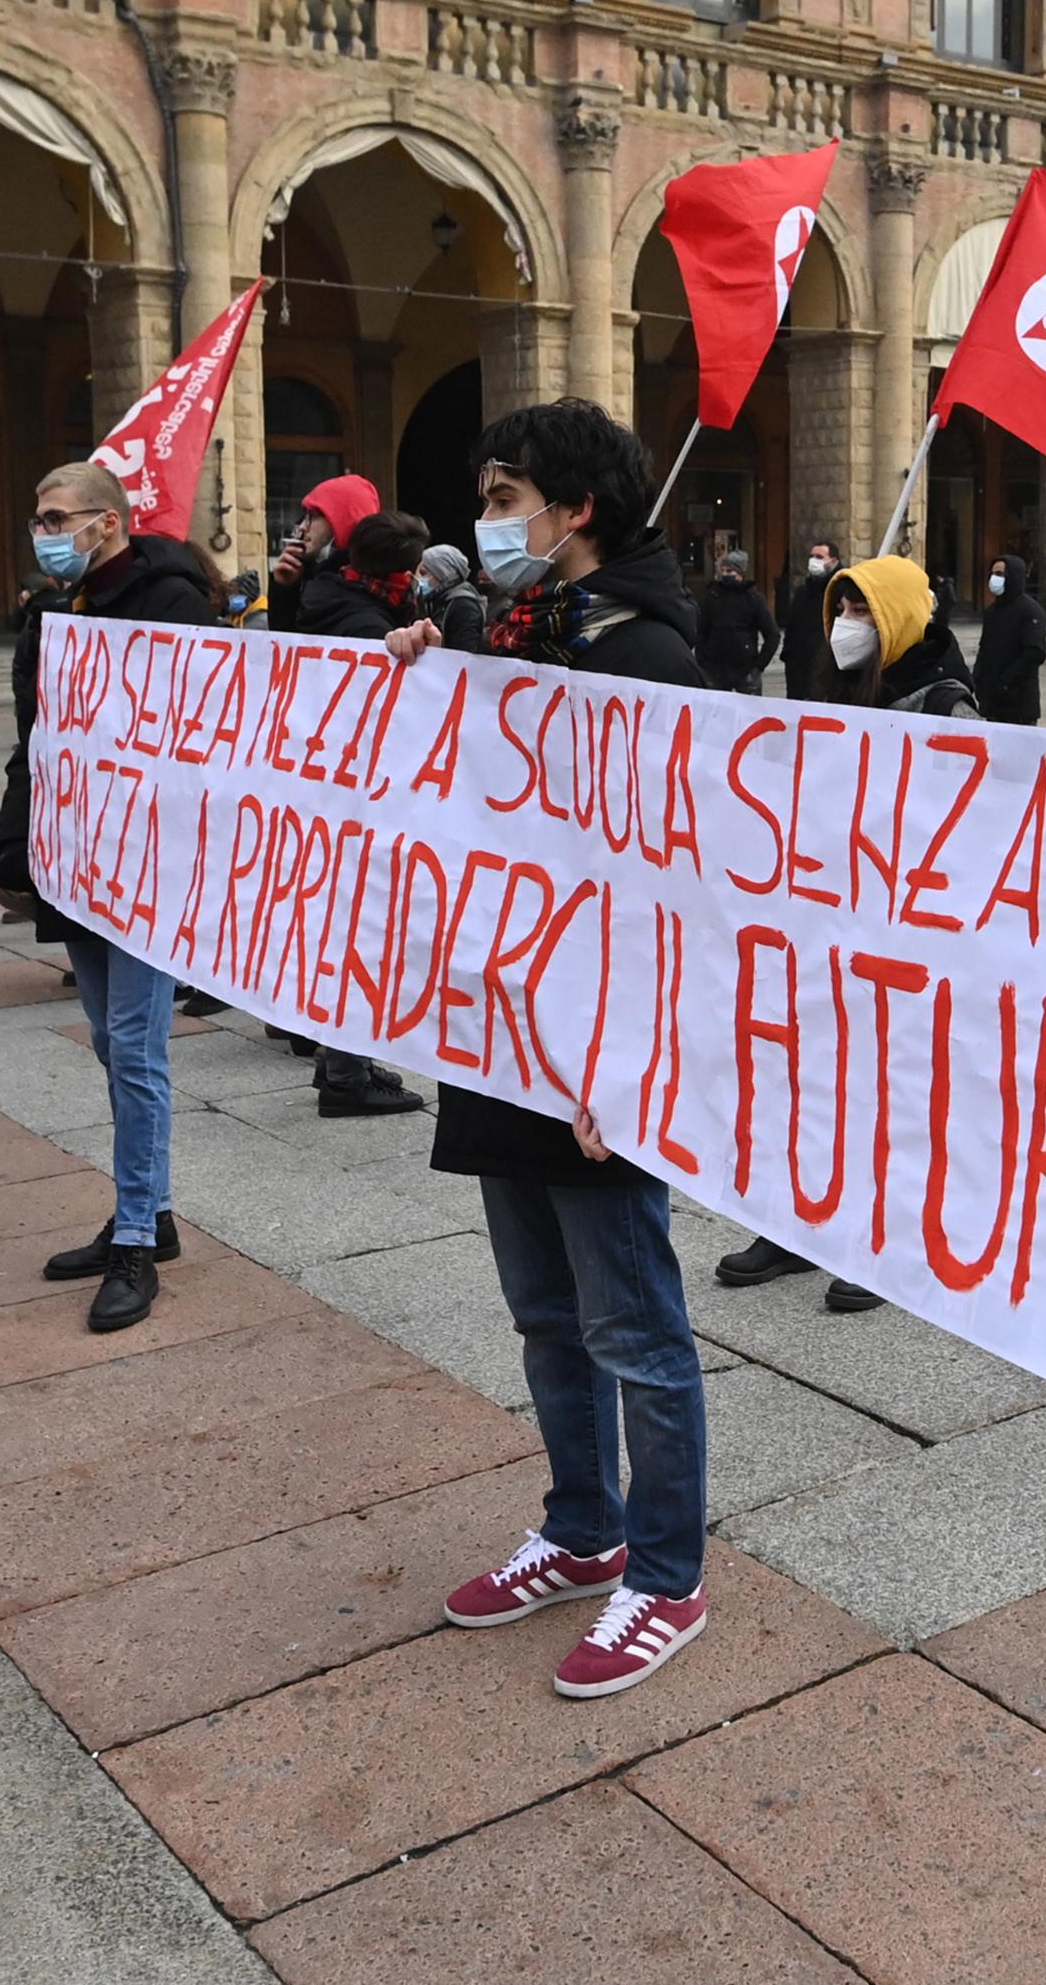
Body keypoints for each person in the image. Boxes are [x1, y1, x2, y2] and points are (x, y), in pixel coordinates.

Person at [385, 397, 714, 1700]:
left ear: (576, 510)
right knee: (543, 1314)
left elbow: (670, 884)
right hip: (507, 1032)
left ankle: (667, 1574)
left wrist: (629, 1055)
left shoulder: (649, 660)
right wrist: (427, 669)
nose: (491, 516)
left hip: (593, 1060)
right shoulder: (520, 633)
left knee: (634, 1324)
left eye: (510, 492)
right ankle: (584, 1528)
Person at [716, 554, 980, 1317]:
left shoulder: (947, 705)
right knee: (811, 1077)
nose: (846, 626)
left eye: (864, 612)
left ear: (896, 618)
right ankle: (797, 1223)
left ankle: (889, 1239)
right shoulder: (836, 691)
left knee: (889, 1089)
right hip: (829, 925)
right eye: (842, 609)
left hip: (905, 940)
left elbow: (972, 832)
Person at [2, 462, 219, 1331]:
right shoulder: (54, 607)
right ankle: (150, 1211)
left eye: (59, 518)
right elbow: (36, 736)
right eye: (39, 518)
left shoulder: (171, 603)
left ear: (108, 521)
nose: (46, 532)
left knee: (135, 1046)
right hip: (77, 854)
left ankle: (135, 1237)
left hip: (147, 862)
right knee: (107, 1039)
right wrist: (16, 844)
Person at [264, 479, 426, 1119]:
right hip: (356, 795)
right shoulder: (361, 613)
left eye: (315, 518)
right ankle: (347, 1073)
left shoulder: (333, 595)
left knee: (337, 921)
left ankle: (335, 1056)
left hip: (327, 790)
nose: (303, 529)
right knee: (358, 925)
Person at [696, 544, 782, 695]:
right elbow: (702, 630)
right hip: (715, 669)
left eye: (729, 571)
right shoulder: (712, 596)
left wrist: (758, 666)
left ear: (740, 573)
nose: (725, 575)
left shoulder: (754, 599)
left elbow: (772, 634)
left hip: (745, 669)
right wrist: (703, 661)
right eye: (723, 571)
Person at [973, 552, 1046, 725]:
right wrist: (978, 678)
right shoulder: (992, 612)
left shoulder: (1030, 611)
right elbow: (985, 648)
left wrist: (1005, 681)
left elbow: (1035, 652)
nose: (994, 578)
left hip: (1019, 704)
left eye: (1000, 574)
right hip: (992, 703)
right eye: (992, 574)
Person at [780, 539, 842, 700]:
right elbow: (792, 627)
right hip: (799, 666)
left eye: (819, 557)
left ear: (833, 561)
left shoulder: (841, 591)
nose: (813, 560)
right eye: (812, 556)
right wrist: (788, 656)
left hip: (826, 666)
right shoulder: (803, 591)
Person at [416, 542, 489, 655]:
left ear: (442, 573)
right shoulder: (436, 601)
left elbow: (463, 657)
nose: (419, 579)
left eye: (424, 573)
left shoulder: (464, 607)